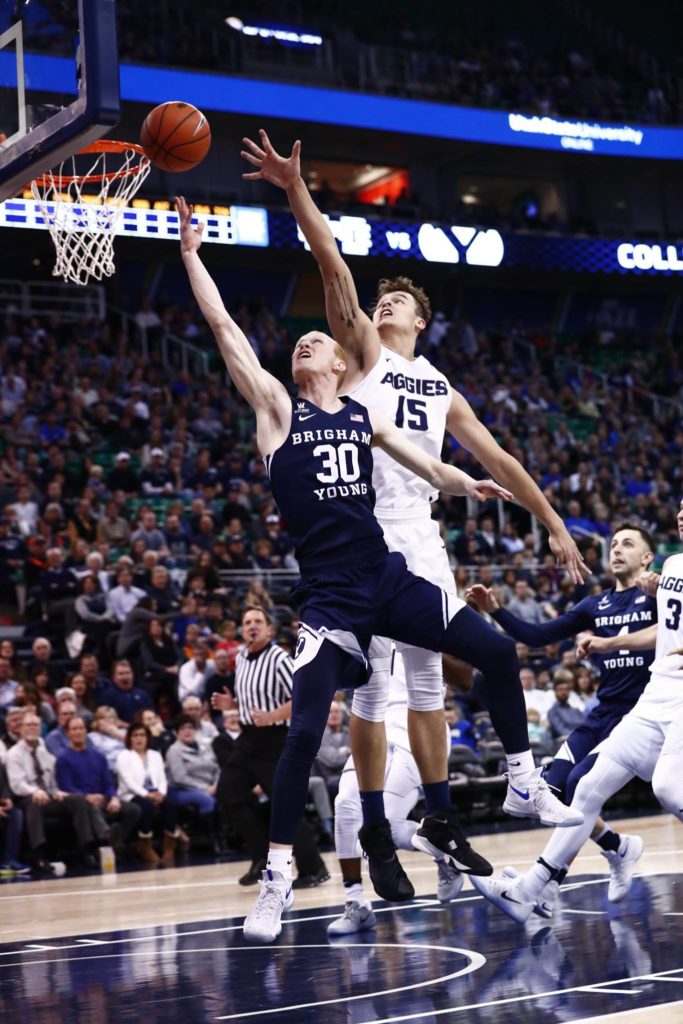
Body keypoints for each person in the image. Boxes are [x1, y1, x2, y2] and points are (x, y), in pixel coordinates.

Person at [177, 193, 581, 944]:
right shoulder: (311, 387)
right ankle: (310, 867)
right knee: (322, 725)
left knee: (480, 656)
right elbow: (246, 321)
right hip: (336, 584)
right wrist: (206, 249)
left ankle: (485, 795)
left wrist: (486, 493)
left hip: (397, 560)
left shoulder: (395, 401)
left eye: (311, 342)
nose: (305, 345)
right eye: (300, 341)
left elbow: (437, 461)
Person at [471, 499, 683, 922]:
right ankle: (530, 890)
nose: (680, 513)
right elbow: (668, 631)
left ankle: (608, 855)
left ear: (643, 554)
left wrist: (609, 643)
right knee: (581, 788)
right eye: (679, 506)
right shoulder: (672, 566)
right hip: (651, 695)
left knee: (667, 788)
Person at [327, 650, 465, 936]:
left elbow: (465, 678)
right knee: (345, 806)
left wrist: (437, 647)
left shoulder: (429, 617)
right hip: (373, 724)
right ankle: (356, 904)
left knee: (387, 828)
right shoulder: (369, 621)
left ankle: (446, 856)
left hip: (419, 726)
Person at [212, 605, 329, 888]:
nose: (252, 626)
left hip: (275, 741)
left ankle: (314, 869)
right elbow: (255, 702)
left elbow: (303, 696)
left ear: (269, 629)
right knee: (228, 793)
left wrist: (272, 717)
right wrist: (233, 706)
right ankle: (260, 858)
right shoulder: (239, 657)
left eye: (258, 622)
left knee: (284, 807)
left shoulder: (279, 657)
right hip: (248, 739)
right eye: (247, 622)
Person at [6, 710, 97, 874]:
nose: (32, 728)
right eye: (28, 725)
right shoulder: (14, 754)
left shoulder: (44, 751)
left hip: (48, 796)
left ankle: (87, 849)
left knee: (76, 800)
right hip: (25, 798)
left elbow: (52, 780)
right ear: (20, 729)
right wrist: (35, 791)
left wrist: (57, 791)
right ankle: (39, 855)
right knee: (35, 804)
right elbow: (16, 785)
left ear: (41, 728)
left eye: (35, 725)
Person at [55, 715, 140, 857]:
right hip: (82, 801)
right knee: (92, 809)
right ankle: (107, 840)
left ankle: (111, 843)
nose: (78, 732)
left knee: (133, 809)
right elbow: (66, 786)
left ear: (86, 731)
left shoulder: (98, 756)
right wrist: (87, 796)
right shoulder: (63, 758)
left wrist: (113, 798)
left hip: (103, 798)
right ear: (67, 733)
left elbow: (108, 782)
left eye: (81, 728)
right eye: (74, 729)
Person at [117, 722, 179, 867]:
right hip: (132, 794)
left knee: (170, 804)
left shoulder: (155, 755)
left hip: (156, 792)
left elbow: (162, 778)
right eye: (135, 735)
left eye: (142, 735)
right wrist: (147, 795)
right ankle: (145, 846)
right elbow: (128, 782)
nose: (139, 739)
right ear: (130, 738)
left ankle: (169, 846)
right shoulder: (124, 756)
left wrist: (161, 793)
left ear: (148, 738)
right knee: (146, 807)